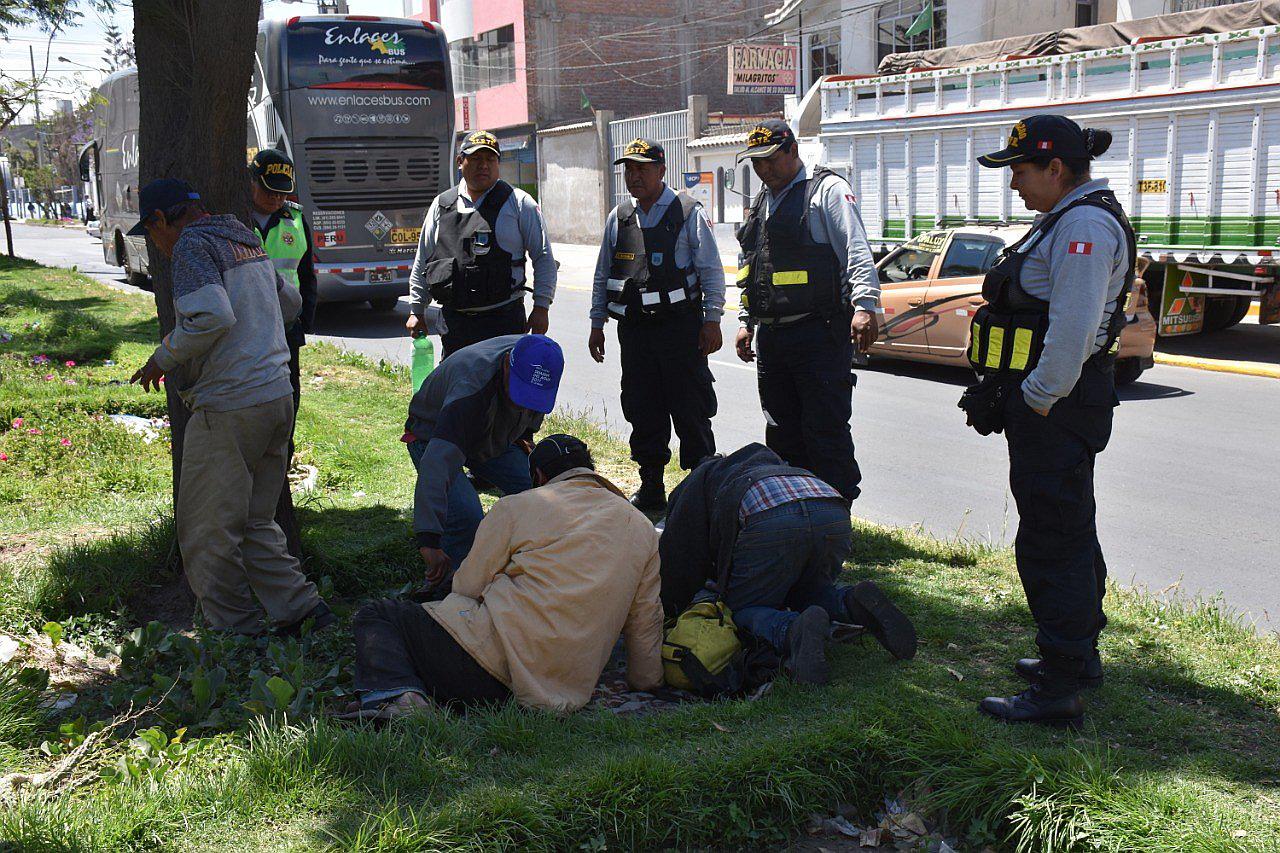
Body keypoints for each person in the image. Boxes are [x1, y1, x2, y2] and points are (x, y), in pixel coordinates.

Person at [962, 115, 1134, 728]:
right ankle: (1077, 656)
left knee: (1051, 542)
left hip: (1056, 409)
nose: (1013, 184)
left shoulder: (1083, 224)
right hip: (1054, 407)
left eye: (1020, 170)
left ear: (1055, 168)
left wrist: (1032, 398)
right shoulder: (1068, 217)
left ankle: (1060, 687)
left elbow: (1072, 332)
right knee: (1069, 531)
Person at [127, 178, 332, 636]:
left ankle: (236, 634)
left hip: (231, 407)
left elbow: (212, 316)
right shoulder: (243, 238)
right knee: (256, 522)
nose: (156, 245)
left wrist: (162, 358)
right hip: (277, 396)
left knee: (205, 532)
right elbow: (292, 301)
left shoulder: (192, 247)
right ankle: (303, 611)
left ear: (163, 220)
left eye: (153, 232)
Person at [352, 433, 664, 718]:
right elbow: (645, 619)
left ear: (539, 477)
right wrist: (646, 681)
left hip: (483, 667)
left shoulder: (517, 506)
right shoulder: (641, 527)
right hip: (558, 693)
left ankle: (399, 701)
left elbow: (467, 587)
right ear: (591, 472)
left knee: (379, 615)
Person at [659, 444, 916, 685]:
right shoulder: (772, 464)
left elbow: (679, 553)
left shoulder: (698, 482)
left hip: (770, 518)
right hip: (831, 508)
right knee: (808, 591)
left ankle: (791, 629)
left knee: (739, 609)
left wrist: (671, 605)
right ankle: (850, 602)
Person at [733, 120, 880, 503]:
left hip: (818, 333)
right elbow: (751, 264)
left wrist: (865, 306)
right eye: (756, 163)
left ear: (793, 150)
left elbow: (856, 249)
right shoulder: (763, 201)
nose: (762, 169)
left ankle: (836, 515)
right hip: (773, 338)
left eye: (769, 160)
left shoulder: (826, 190)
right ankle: (794, 510)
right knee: (781, 430)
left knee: (824, 429)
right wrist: (745, 321)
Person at [588, 138, 725, 511]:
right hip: (635, 333)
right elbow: (603, 274)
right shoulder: (619, 217)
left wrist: (712, 320)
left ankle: (702, 487)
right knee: (641, 406)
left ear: (661, 171)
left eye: (642, 168)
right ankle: (651, 486)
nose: (634, 176)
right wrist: (596, 322)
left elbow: (711, 271)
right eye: (629, 169)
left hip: (680, 328)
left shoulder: (687, 211)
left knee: (690, 407)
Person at [405, 334, 564, 587]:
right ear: (506, 366)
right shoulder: (469, 391)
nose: (525, 402)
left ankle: (527, 560)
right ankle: (453, 586)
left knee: (535, 490)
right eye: (521, 391)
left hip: (489, 434)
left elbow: (526, 425)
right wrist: (428, 541)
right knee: (466, 516)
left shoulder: (540, 363)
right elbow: (436, 465)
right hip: (433, 433)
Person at [407, 130, 557, 358]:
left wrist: (541, 307)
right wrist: (416, 309)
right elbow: (422, 261)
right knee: (458, 391)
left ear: (498, 163)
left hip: (503, 321)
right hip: (454, 324)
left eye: (490, 159)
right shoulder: (442, 205)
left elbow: (543, 257)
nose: (483, 166)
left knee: (502, 391)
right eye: (476, 159)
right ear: (460, 162)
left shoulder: (519, 203)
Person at [248, 148, 317, 552]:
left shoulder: (295, 218)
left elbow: (306, 276)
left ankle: (277, 484)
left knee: (287, 405)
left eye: (282, 192)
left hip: (286, 332)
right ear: (251, 182)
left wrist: (305, 323)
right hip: (247, 332)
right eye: (268, 190)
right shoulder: (235, 220)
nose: (276, 198)